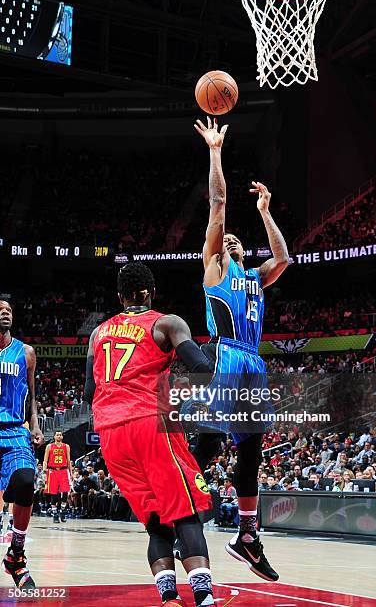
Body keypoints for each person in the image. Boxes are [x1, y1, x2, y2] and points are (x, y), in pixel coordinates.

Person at [84, 262, 218, 607]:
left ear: (120, 296)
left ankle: (169, 598)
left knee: (156, 520)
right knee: (186, 510)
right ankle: (203, 598)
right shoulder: (167, 323)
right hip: (149, 423)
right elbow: (201, 367)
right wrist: (217, 352)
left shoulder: (98, 334)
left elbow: (88, 393)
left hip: (110, 432)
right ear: (152, 291)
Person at [192, 117, 289, 581]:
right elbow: (218, 205)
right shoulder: (216, 270)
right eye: (222, 240)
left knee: (251, 450)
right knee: (210, 441)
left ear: (245, 251)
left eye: (234, 239)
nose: (228, 239)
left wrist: (267, 211)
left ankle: (247, 536)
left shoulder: (256, 278)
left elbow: (285, 258)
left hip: (254, 363)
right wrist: (215, 150)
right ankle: (178, 507)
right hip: (227, 355)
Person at [0, 299, 44, 589]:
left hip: (15, 428)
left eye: (8, 310)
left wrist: (36, 424)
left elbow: (32, 393)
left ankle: (16, 554)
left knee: (27, 480)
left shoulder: (25, 352)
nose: (5, 312)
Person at [43, 430, 73, 523]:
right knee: (54, 493)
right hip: (52, 471)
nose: (59, 436)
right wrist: (45, 472)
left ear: (62, 437)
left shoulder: (66, 446)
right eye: (57, 435)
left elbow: (68, 461)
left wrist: (71, 473)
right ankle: (55, 513)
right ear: (54, 437)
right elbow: (45, 460)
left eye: (60, 435)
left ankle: (63, 511)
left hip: (63, 470)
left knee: (65, 492)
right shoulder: (49, 446)